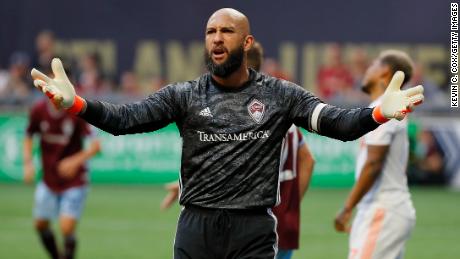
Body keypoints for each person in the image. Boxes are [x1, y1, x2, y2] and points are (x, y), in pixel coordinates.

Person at [30, 8, 424, 259]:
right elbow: (123, 119)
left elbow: (337, 124)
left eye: (227, 31)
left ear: (246, 41)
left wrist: (376, 113)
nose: (217, 37)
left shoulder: (280, 95)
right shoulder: (184, 95)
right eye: (210, 31)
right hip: (196, 227)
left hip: (252, 230)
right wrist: (76, 104)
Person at [160, 42, 316, 259]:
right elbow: (307, 160)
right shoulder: (280, 112)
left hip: (254, 217)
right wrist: (290, 205)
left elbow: (226, 166)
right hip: (279, 217)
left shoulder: (246, 115)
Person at [334, 50, 419, 259]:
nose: (367, 70)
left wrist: (347, 207)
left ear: (385, 71)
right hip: (385, 209)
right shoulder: (386, 107)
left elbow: (374, 163)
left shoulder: (386, 108)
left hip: (383, 209)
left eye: (373, 65)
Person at [24, 96, 101, 259]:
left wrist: (74, 161)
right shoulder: (39, 110)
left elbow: (96, 146)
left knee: (66, 228)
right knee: (40, 224)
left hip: (74, 180)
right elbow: (29, 135)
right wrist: (28, 163)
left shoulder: (78, 111)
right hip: (48, 179)